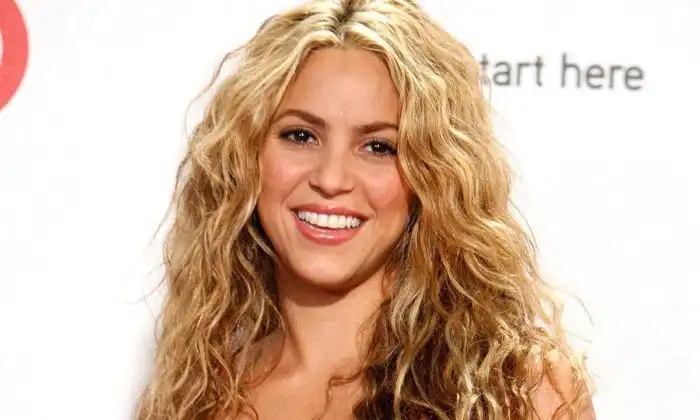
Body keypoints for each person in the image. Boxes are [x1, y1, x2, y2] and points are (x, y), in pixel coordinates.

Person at [136, 0, 595, 419]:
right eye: (300, 136)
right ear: (247, 156)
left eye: (378, 147)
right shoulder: (196, 400)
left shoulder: (521, 390)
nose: (331, 178)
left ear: (433, 175)